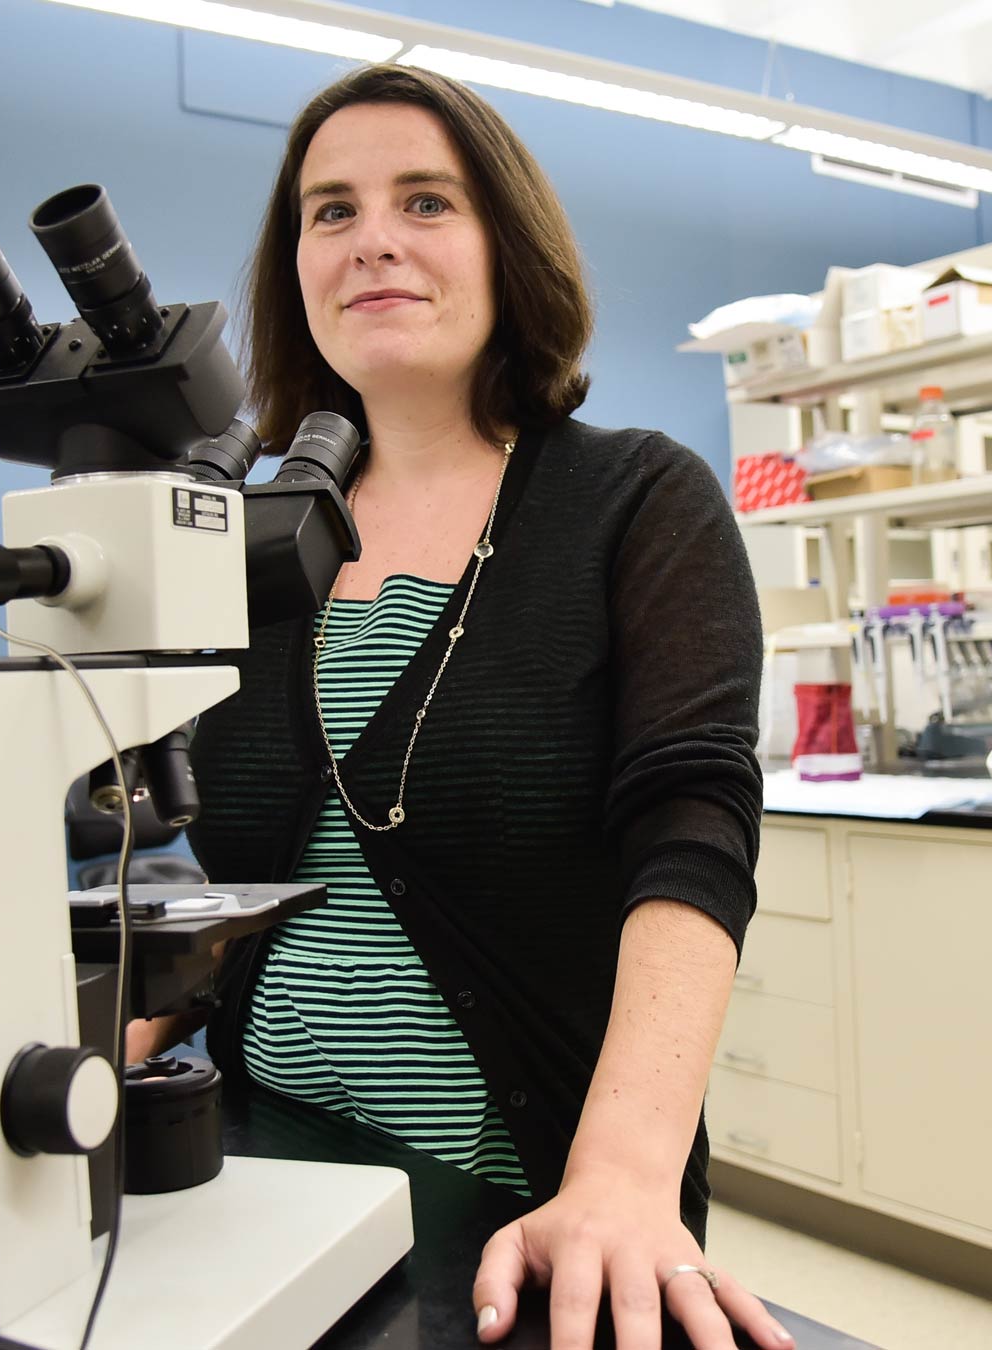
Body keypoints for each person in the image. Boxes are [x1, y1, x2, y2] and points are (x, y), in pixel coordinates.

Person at [124, 63, 784, 1350]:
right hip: (258, 1164)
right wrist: (138, 1013)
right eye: (331, 211)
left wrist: (626, 1175)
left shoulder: (636, 500)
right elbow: (247, 864)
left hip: (523, 1193)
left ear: (507, 249)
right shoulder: (250, 543)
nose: (373, 238)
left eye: (427, 201)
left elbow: (693, 831)